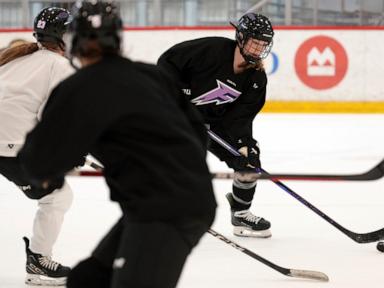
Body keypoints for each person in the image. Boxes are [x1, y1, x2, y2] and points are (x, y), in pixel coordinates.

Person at [18, 1, 216, 288]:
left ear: (74, 42)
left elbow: (36, 164)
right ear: (118, 39)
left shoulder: (78, 87)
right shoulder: (152, 75)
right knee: (88, 279)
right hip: (174, 200)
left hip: (166, 210)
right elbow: (197, 132)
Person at [158, 12, 274, 238]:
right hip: (179, 115)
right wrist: (176, 94)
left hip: (215, 122)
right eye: (254, 42)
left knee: (249, 162)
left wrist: (243, 145)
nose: (258, 49)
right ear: (241, 37)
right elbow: (168, 61)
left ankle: (241, 215)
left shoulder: (256, 79)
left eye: (263, 45)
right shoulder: (211, 50)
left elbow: (240, 118)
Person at [0, 7, 74, 286]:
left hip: (6, 141)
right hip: (10, 146)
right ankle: (39, 260)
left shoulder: (17, 57)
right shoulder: (59, 66)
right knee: (57, 197)